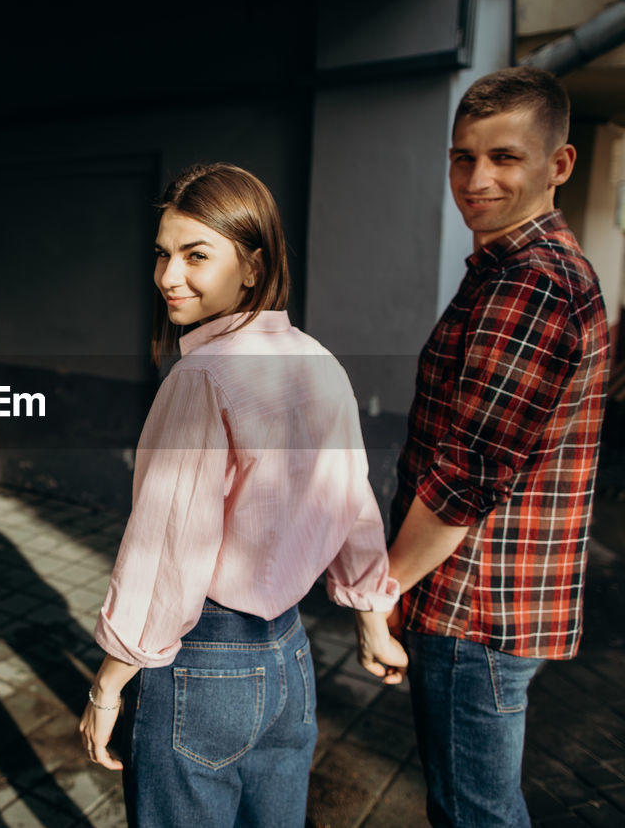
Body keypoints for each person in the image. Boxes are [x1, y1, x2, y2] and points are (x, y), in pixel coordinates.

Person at [79, 163, 407, 827]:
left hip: (204, 665)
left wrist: (107, 685)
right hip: (290, 662)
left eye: (196, 255)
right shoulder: (317, 358)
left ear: (252, 266)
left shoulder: (201, 377)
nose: (168, 276)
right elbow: (352, 497)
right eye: (163, 254)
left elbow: (167, 549)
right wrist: (371, 617)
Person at [382, 66, 610, 827]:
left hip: (472, 605)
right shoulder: (513, 269)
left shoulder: (532, 284)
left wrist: (383, 588)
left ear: (558, 164)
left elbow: (467, 476)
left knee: (475, 814)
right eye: (463, 156)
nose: (477, 178)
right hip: (494, 600)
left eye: (505, 157)